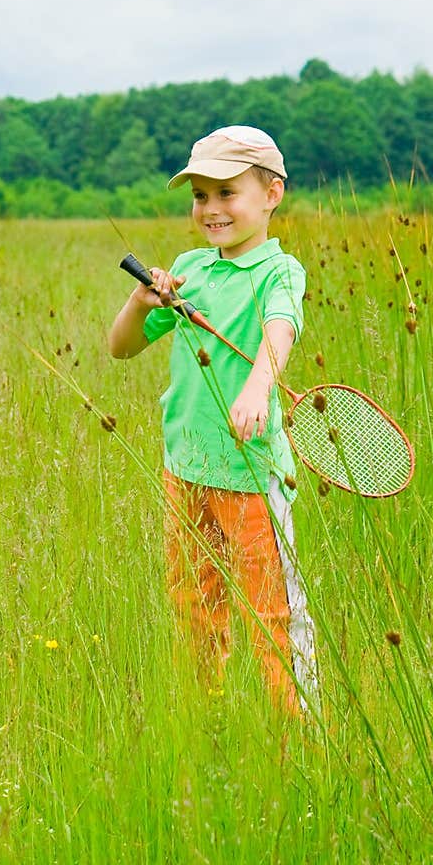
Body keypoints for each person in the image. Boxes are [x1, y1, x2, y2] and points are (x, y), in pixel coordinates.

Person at [107, 125, 319, 717]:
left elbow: (281, 330)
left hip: (251, 477)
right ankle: (207, 723)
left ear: (272, 193)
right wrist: (139, 302)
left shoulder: (280, 273)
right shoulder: (189, 271)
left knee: (273, 616)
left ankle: (300, 737)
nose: (212, 209)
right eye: (201, 195)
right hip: (187, 470)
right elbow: (120, 348)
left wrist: (258, 387)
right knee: (194, 609)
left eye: (228, 192)